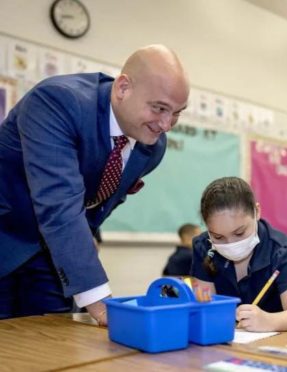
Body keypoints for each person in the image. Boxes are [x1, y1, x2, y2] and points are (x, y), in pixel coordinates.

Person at [0, 44, 190, 325]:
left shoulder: (152, 148)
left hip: (54, 256)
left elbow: (96, 200)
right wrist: (99, 299)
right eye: (159, 108)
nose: (166, 124)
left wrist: (86, 239)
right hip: (6, 233)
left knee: (53, 343)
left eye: (177, 112)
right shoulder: (57, 102)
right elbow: (59, 202)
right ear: (123, 88)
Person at [191, 177, 287, 332]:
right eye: (218, 237)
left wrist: (269, 321)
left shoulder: (282, 250)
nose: (230, 244)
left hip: (276, 341)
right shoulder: (203, 247)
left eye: (240, 233)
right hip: (226, 341)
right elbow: (206, 306)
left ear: (257, 211)